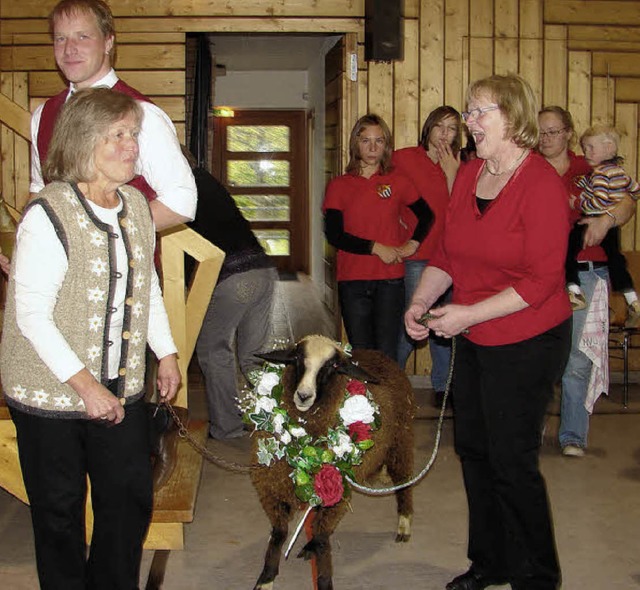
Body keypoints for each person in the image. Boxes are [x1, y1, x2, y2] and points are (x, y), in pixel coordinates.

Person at [0, 88, 180, 589]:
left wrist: (164, 352)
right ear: (84, 140)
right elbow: (31, 315)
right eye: (118, 135)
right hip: (49, 390)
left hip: (119, 385)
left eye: (133, 135)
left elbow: (147, 288)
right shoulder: (48, 212)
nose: (132, 147)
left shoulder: (139, 207)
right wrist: (86, 388)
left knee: (127, 498)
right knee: (58, 512)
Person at [405, 75, 572, 590]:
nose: (470, 123)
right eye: (470, 112)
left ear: (513, 119)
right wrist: (421, 300)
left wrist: (466, 316)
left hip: (528, 338)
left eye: (481, 112)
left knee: (512, 460)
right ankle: (491, 562)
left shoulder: (541, 183)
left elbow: (543, 281)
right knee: (475, 451)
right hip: (476, 336)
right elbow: (450, 254)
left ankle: (536, 576)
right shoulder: (472, 173)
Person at [31, 0, 196, 229]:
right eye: (61, 38)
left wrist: (104, 237)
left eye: (83, 36)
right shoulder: (43, 115)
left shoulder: (143, 114)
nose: (69, 49)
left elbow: (182, 200)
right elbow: (39, 190)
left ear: (108, 42)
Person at [538, 107, 637, 458]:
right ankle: (527, 432)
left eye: (554, 131)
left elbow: (628, 203)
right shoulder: (527, 169)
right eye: (542, 133)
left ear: (568, 132)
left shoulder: (590, 166)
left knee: (577, 359)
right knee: (537, 355)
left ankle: (573, 435)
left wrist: (607, 220)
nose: (547, 139)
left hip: (587, 271)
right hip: (537, 273)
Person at [183, 148, 277, 440]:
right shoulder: (206, 181)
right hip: (263, 271)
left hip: (234, 277)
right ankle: (279, 420)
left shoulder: (183, 189)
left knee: (213, 351)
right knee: (254, 357)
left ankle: (227, 428)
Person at [323, 114, 433, 361]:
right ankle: (363, 401)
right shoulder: (339, 185)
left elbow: (426, 216)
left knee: (386, 355)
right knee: (361, 355)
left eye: (379, 141)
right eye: (365, 141)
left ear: (386, 145)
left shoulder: (397, 181)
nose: (373, 148)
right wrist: (374, 247)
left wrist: (412, 244)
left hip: (390, 280)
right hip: (353, 280)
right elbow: (334, 235)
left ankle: (388, 401)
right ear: (355, 144)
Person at [393, 106, 462, 405]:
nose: (445, 134)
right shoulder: (405, 158)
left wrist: (452, 176)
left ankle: (442, 387)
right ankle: (389, 382)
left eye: (452, 128)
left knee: (444, 326)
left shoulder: (463, 165)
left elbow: (461, 212)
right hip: (419, 256)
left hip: (452, 257)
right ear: (428, 129)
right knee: (413, 322)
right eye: (439, 127)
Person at [565, 125, 640, 326]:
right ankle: (632, 299)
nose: (587, 152)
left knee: (570, 248)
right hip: (612, 228)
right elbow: (635, 190)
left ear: (608, 148)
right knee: (616, 259)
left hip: (593, 220)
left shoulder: (599, 174)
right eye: (585, 148)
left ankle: (573, 289)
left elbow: (597, 201)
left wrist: (577, 203)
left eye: (591, 148)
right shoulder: (619, 172)